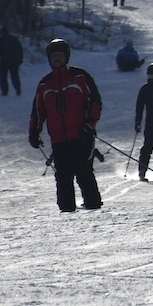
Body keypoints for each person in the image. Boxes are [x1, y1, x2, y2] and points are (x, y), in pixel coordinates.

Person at [28, 38, 104, 212]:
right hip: (59, 138)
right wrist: (34, 132)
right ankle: (66, 209)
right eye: (53, 56)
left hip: (82, 135)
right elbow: (38, 111)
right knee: (63, 175)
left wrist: (89, 125)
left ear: (66, 57)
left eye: (59, 56)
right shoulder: (45, 84)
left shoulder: (80, 77)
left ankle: (93, 206)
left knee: (84, 172)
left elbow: (95, 102)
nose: (56, 59)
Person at [0, 26, 24, 96]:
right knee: (15, 76)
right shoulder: (14, 39)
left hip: (4, 62)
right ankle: (18, 88)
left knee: (3, 77)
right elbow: (20, 50)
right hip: (14, 61)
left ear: (1, 32)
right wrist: (20, 60)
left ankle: (4, 91)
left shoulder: (0, 40)